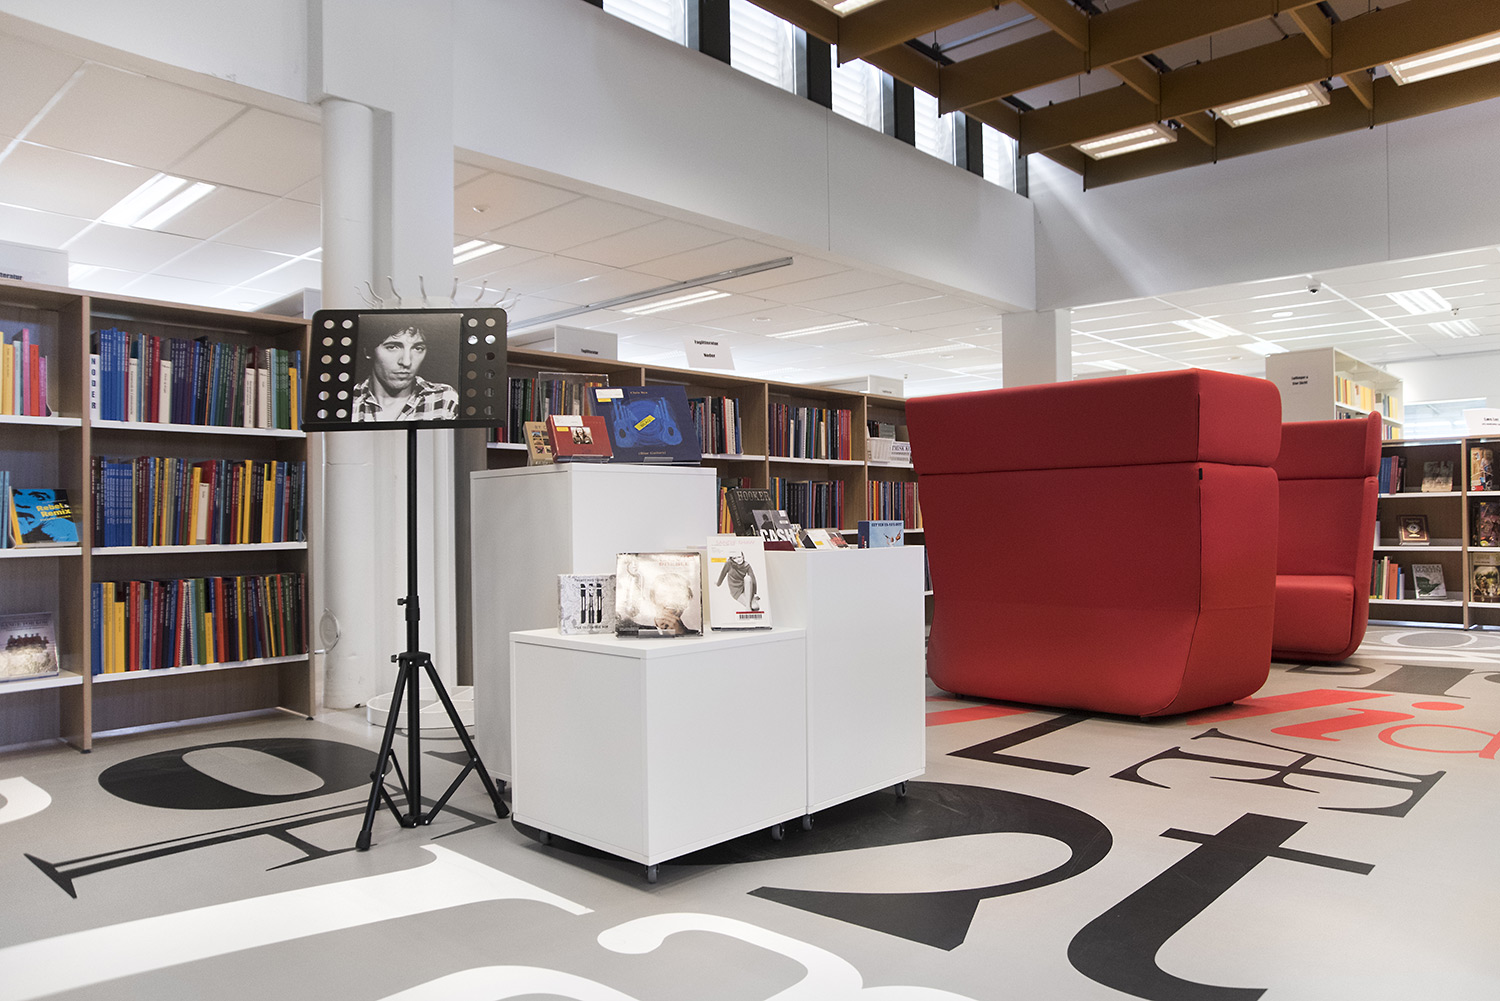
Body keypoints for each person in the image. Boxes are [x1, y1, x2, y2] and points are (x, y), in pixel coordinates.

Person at [350, 323, 458, 422]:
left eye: (418, 348)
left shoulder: (444, 399)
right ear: (368, 351)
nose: (406, 362)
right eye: (392, 347)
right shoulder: (350, 401)